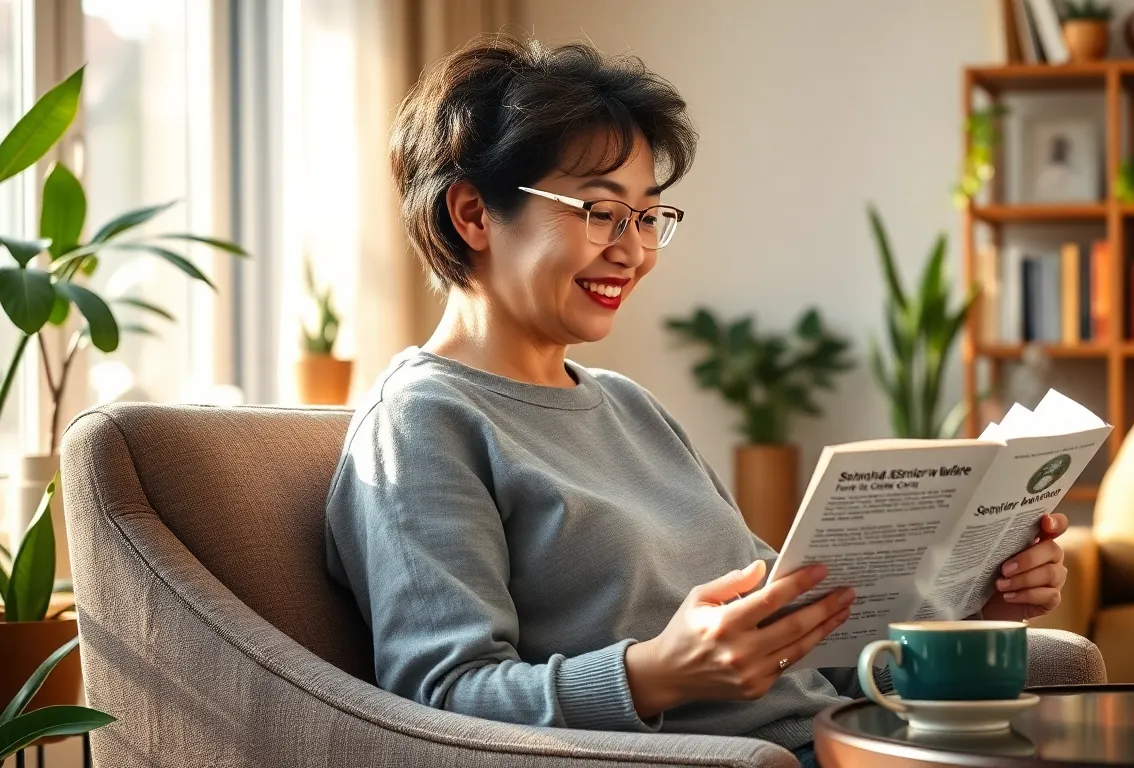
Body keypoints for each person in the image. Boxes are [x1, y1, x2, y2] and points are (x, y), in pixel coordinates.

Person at [323, 34, 1069, 768]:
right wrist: (652, 676)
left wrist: (978, 610)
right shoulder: (422, 422)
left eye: (648, 216)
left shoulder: (627, 406)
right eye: (599, 211)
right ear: (473, 214)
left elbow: (807, 637)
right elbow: (439, 703)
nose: (634, 250)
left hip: (841, 741)